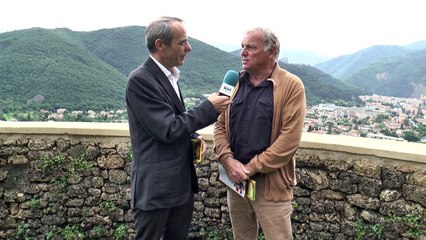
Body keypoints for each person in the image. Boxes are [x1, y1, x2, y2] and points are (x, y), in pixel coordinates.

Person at [125, 16, 232, 240]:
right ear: (160, 45)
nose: (189, 48)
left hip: (179, 188)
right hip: (156, 191)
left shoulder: (171, 76)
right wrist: (209, 108)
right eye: (182, 42)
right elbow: (167, 128)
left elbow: (174, 119)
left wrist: (192, 137)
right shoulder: (140, 80)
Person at [213, 27, 306, 240]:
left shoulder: (291, 86)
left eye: (251, 47)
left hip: (270, 186)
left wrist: (249, 168)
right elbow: (219, 125)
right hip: (235, 181)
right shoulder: (233, 82)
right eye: (242, 46)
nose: (243, 52)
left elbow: (289, 141)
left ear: (272, 52)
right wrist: (228, 161)